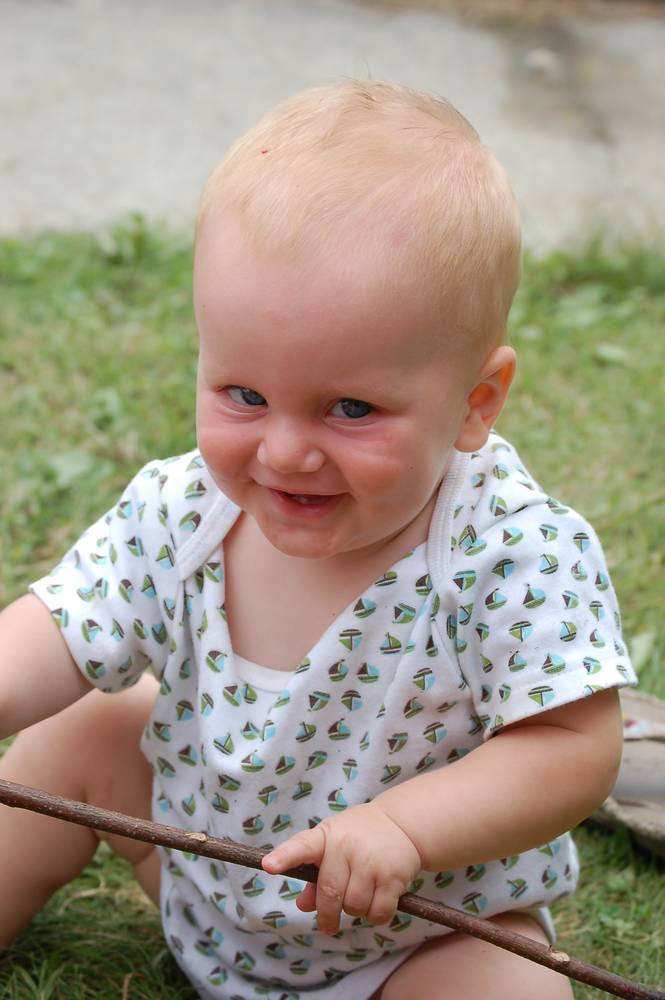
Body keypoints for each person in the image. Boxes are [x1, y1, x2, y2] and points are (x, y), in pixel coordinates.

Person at [0, 80, 635, 1000]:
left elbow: (573, 748)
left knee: (514, 989)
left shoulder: (509, 553)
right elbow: (57, 629)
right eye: (245, 395)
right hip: (201, 888)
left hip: (408, 941)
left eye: (350, 408)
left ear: (475, 402)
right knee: (85, 725)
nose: (286, 452)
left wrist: (404, 829)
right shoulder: (184, 510)